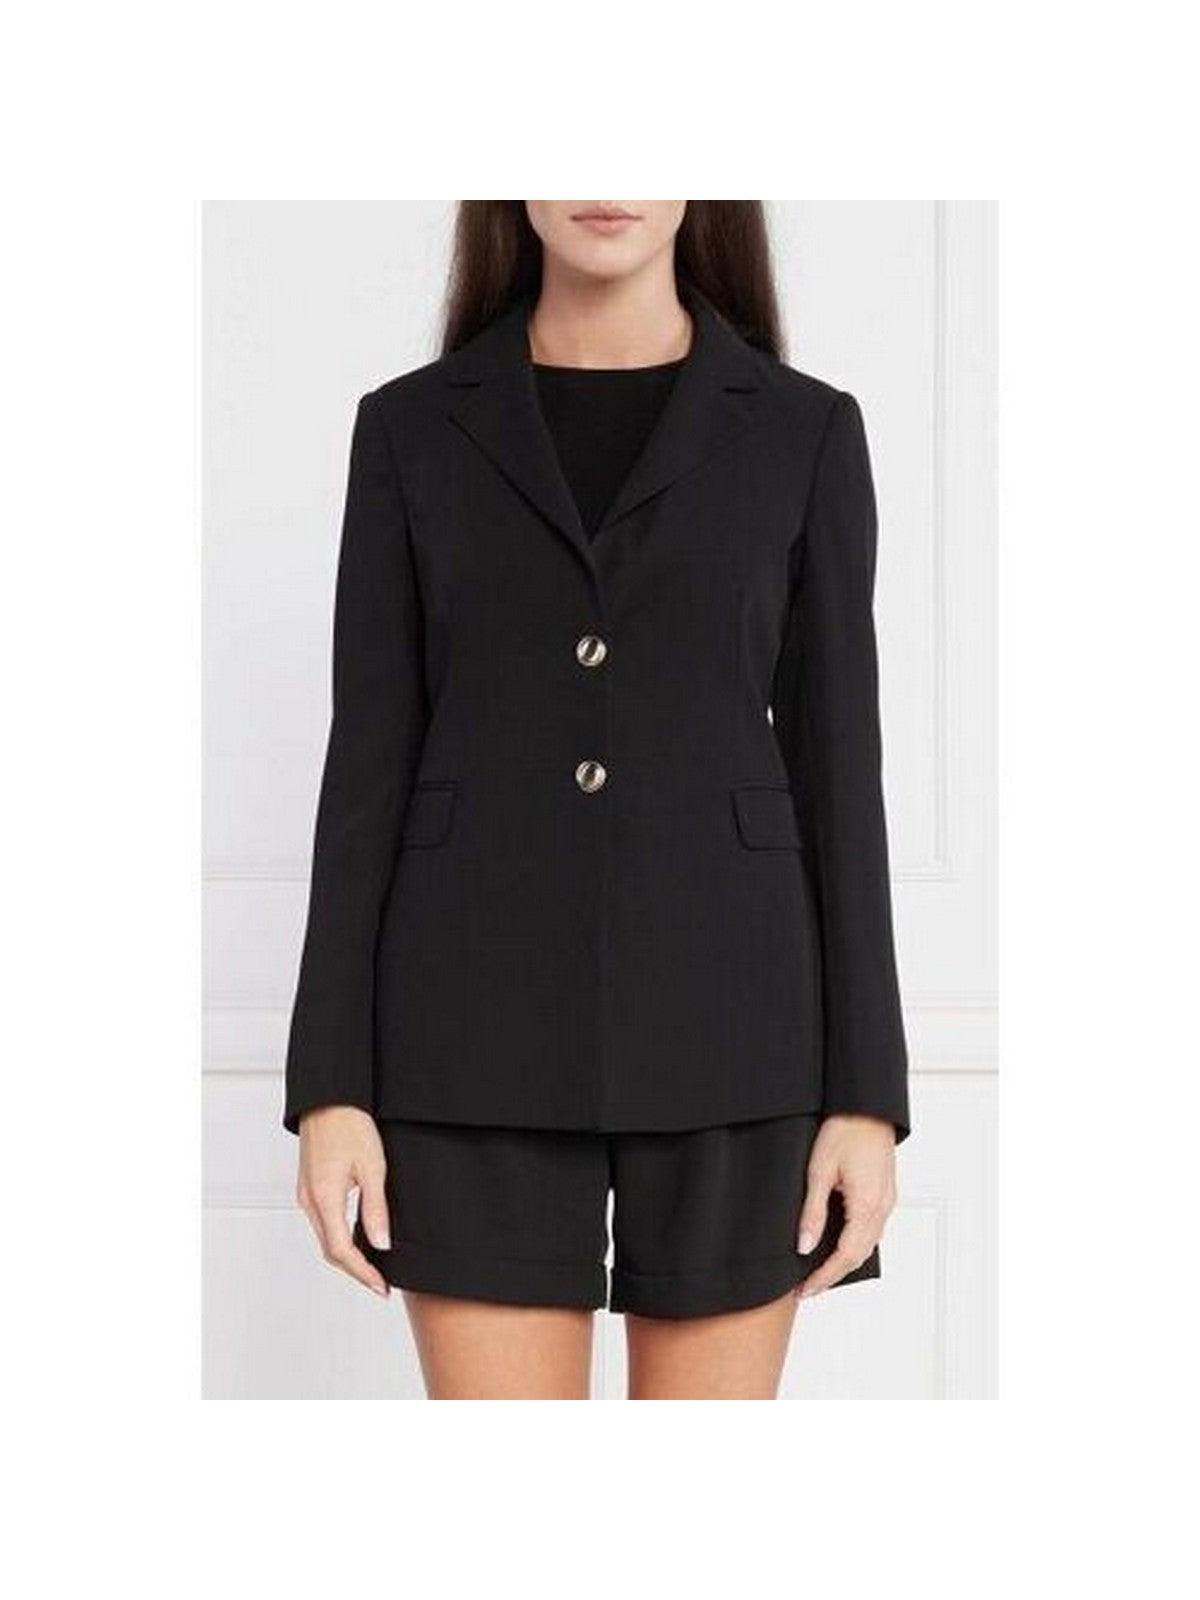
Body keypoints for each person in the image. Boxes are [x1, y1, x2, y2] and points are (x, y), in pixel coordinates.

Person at [286, 201, 909, 1399]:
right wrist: (330, 1083)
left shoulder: (805, 431)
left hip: (739, 1031)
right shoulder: (411, 428)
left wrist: (867, 1096)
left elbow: (841, 774)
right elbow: (365, 769)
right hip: (465, 1035)